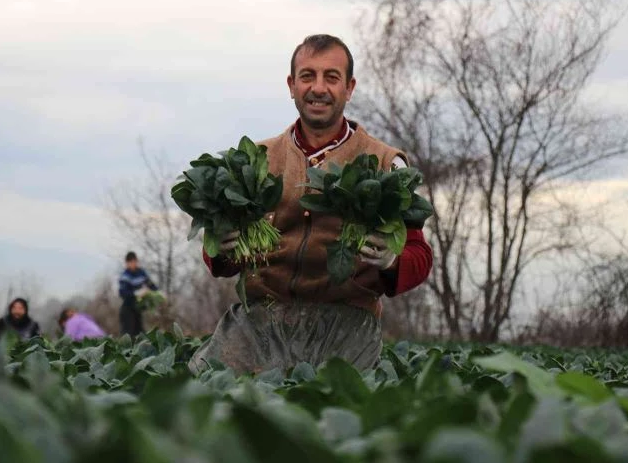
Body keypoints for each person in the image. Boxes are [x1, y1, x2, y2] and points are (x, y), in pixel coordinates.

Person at [190, 34, 434, 375]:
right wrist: (220, 247)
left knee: (338, 399)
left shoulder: (385, 164)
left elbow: (419, 256)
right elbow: (218, 259)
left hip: (347, 321)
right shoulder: (255, 159)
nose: (318, 88)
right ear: (292, 85)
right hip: (260, 318)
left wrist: (393, 261)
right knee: (203, 385)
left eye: (331, 78)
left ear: (349, 88)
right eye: (308, 76)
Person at [118, 251, 158, 336]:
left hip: (137, 308)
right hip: (127, 308)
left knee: (140, 333)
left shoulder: (141, 273)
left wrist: (157, 292)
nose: (133, 264)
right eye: (131, 262)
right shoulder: (125, 276)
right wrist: (136, 293)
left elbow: (150, 284)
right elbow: (122, 293)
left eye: (134, 262)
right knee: (128, 333)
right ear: (127, 263)